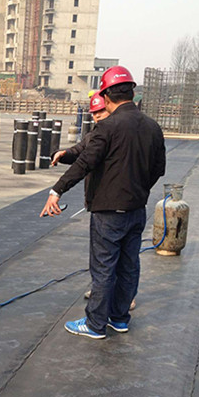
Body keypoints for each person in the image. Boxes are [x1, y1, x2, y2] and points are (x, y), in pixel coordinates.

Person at [41, 66, 165, 340]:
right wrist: (138, 190)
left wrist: (56, 191)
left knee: (104, 267)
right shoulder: (152, 127)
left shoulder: (108, 127)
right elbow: (158, 168)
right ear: (132, 93)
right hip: (136, 210)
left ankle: (95, 323)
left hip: (109, 213)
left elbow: (85, 163)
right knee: (128, 265)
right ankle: (119, 318)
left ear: (107, 96)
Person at [51, 91, 136, 309]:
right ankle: (109, 298)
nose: (97, 116)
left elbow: (85, 162)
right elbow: (82, 150)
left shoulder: (116, 132)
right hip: (122, 204)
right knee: (113, 259)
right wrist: (65, 154)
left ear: (110, 105)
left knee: (111, 260)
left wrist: (57, 191)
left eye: (100, 111)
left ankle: (106, 309)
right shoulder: (99, 132)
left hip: (111, 206)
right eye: (94, 113)